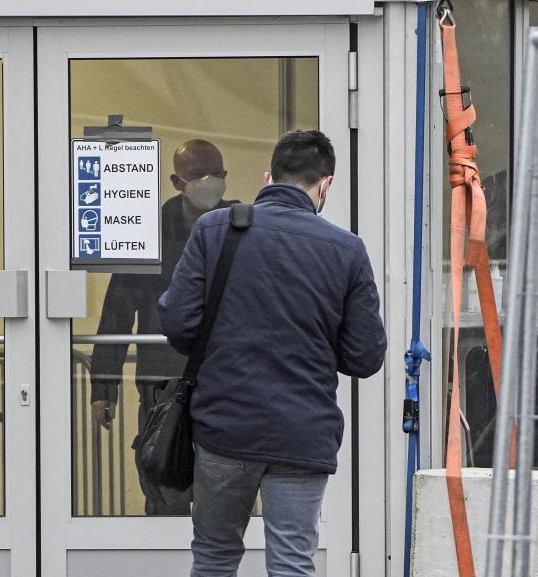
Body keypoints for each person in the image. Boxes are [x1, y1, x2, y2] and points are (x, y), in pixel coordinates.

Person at [158, 130, 387, 577]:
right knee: (292, 565)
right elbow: (365, 357)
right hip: (301, 432)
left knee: (214, 558)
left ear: (269, 177)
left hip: (224, 426)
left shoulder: (214, 230)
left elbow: (178, 323)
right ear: (326, 185)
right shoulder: (347, 250)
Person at [90, 139, 232, 516]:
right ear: (175, 180)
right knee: (164, 489)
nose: (209, 181)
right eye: (198, 174)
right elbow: (117, 314)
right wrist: (104, 388)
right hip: (162, 386)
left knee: (224, 497)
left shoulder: (239, 226)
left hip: (227, 382)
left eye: (216, 174)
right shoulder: (148, 234)